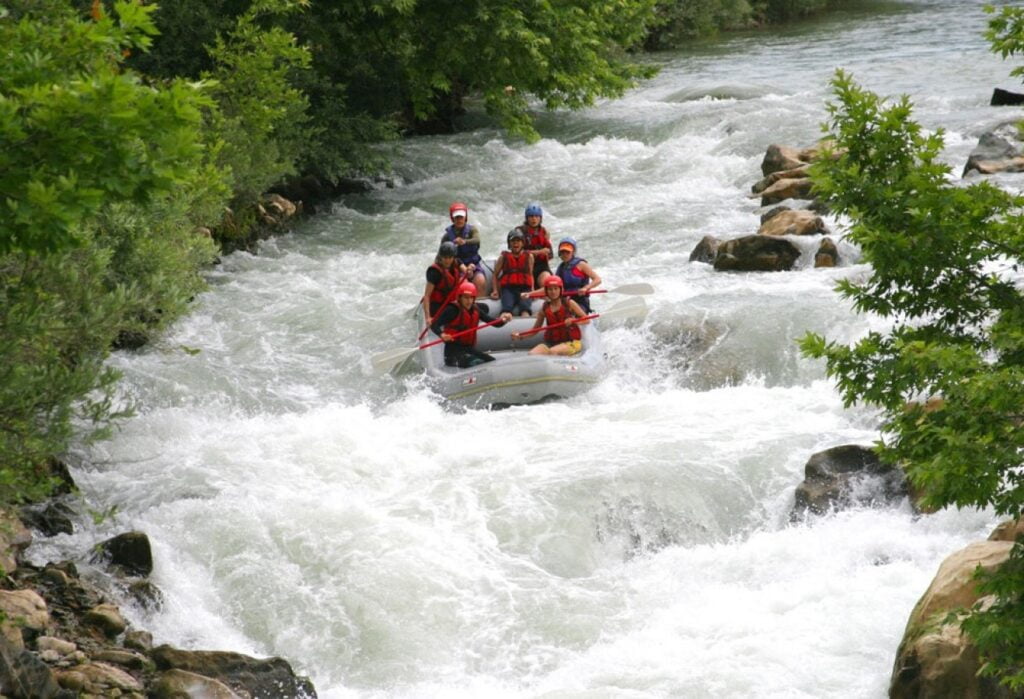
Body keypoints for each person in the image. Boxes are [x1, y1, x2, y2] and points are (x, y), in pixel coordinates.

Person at [430, 282, 512, 368]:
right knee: (476, 363)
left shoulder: (476, 310)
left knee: (491, 362)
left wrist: (505, 320)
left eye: (471, 298)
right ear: (460, 297)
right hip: (453, 352)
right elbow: (434, 324)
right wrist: (442, 334)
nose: (469, 301)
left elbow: (495, 323)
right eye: (465, 298)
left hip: (468, 349)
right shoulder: (452, 310)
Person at [511, 276, 589, 356]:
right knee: (532, 353)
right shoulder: (544, 308)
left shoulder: (569, 303)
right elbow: (535, 330)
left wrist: (574, 321)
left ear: (560, 290)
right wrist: (520, 336)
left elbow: (587, 319)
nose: (553, 292)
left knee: (553, 351)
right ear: (546, 291)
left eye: (556, 289)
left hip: (571, 342)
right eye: (550, 289)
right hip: (552, 343)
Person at [441, 202, 488, 295]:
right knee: (464, 286)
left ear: (465, 217)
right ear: (452, 219)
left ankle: (478, 306)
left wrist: (464, 241)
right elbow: (441, 253)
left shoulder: (472, 230)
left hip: (473, 264)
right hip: (457, 267)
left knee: (480, 281)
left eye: (461, 217)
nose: (459, 220)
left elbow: (477, 239)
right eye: (456, 218)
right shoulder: (447, 237)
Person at [490, 229, 534, 316]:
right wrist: (495, 290)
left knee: (525, 309)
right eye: (513, 241)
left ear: (522, 243)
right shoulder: (503, 257)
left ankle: (525, 326)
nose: (515, 243)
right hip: (508, 289)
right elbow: (495, 275)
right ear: (509, 243)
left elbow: (530, 274)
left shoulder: (529, 257)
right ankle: (502, 324)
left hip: (525, 289)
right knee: (506, 309)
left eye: (518, 241)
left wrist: (532, 290)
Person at [554, 236, 602, 313]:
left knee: (571, 312)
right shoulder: (561, 268)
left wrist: (586, 288)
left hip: (580, 301)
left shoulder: (581, 264)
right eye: (562, 252)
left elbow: (598, 279)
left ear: (573, 252)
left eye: (567, 252)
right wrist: (530, 294)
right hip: (565, 300)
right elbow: (552, 285)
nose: (565, 254)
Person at [514, 202, 553, 286]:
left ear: (540, 218)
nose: (534, 219)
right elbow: (517, 252)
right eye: (531, 216)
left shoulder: (544, 232)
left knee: (546, 282)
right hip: (523, 268)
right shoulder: (519, 231)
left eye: (536, 216)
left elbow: (550, 254)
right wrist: (539, 252)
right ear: (527, 218)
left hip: (540, 267)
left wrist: (546, 249)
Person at [422, 241, 462, 323]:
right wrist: (428, 317)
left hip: (450, 303)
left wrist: (470, 270)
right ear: (441, 257)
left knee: (483, 307)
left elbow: (467, 272)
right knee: (454, 311)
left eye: (450, 258)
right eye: (445, 258)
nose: (447, 261)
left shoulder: (456, 263)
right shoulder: (434, 272)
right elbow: (427, 296)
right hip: (437, 307)